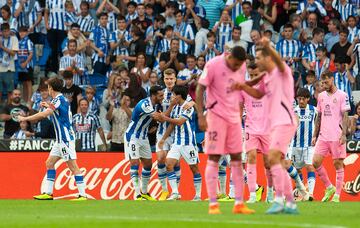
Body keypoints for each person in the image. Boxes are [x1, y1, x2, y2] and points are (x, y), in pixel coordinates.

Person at [232, 37, 298, 214]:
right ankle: (289, 202)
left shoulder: (282, 71)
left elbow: (279, 61)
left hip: (286, 120)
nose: (257, 61)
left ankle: (278, 200)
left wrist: (268, 46)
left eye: (260, 57)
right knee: (275, 160)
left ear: (268, 58)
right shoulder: (266, 78)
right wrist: (241, 86)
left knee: (274, 158)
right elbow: (257, 93)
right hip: (275, 123)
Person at [196, 46, 254, 215]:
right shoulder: (213, 64)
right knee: (214, 157)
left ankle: (239, 203)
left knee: (237, 157)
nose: (237, 68)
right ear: (229, 57)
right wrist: (201, 115)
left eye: (239, 65)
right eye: (235, 64)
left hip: (234, 118)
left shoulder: (242, 66)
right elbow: (200, 89)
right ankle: (213, 204)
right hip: (216, 117)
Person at [18, 77, 87, 201]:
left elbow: (44, 114)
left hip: (65, 139)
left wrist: (25, 119)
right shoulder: (60, 100)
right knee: (49, 163)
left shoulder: (58, 100)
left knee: (73, 166)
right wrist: (48, 105)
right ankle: (48, 193)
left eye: (48, 87)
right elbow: (58, 112)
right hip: (60, 140)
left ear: (51, 88)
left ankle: (83, 195)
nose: (47, 90)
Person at [312, 70, 350, 203]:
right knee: (315, 162)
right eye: (322, 82)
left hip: (336, 135)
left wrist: (344, 134)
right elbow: (319, 116)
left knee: (337, 164)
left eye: (326, 81)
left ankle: (337, 196)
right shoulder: (321, 96)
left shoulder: (342, 95)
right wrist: (314, 135)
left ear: (332, 79)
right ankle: (329, 187)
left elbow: (345, 116)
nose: (324, 84)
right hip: (323, 136)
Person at [158, 85, 201, 201]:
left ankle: (198, 195)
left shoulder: (188, 106)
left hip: (189, 143)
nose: (171, 97)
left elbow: (180, 122)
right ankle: (175, 193)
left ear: (178, 96)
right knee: (169, 165)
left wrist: (165, 118)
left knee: (194, 168)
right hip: (177, 142)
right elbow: (172, 125)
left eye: (173, 95)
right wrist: (163, 138)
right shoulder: (175, 107)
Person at [239, 61, 272, 204]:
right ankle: (252, 194)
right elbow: (239, 109)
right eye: (250, 74)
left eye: (256, 75)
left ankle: (270, 193)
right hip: (250, 128)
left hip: (267, 129)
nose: (253, 77)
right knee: (250, 157)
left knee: (268, 163)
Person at [124, 85, 164, 200]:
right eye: (160, 95)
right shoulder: (145, 104)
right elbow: (158, 118)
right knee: (135, 164)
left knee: (147, 165)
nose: (162, 97)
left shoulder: (155, 104)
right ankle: (137, 194)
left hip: (143, 137)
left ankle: (145, 192)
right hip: (132, 137)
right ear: (153, 95)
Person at [288, 88, 317, 201]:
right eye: (299, 99)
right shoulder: (294, 111)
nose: (301, 101)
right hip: (295, 145)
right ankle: (302, 193)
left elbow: (319, 124)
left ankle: (310, 193)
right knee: (298, 170)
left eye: (303, 99)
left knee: (310, 167)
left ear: (308, 99)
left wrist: (315, 136)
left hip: (309, 145)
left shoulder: (314, 111)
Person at [0, 23, 19, 102]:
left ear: (9, 30)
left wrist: (2, 47)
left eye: (7, 31)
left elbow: (13, 53)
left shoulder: (14, 39)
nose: (6, 33)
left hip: (9, 68)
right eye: (4, 31)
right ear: (1, 32)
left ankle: (9, 108)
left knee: (9, 91)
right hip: (0, 68)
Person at [17, 26, 34, 103]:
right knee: (23, 83)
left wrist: (25, 63)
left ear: (27, 32)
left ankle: (29, 100)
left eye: (24, 32)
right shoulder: (18, 42)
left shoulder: (28, 41)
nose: (22, 33)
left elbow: (31, 54)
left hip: (28, 65)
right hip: (21, 66)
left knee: (28, 82)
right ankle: (24, 100)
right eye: (20, 32)